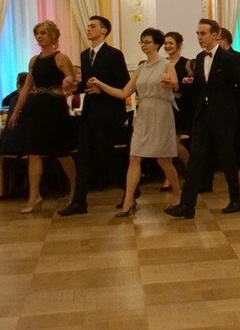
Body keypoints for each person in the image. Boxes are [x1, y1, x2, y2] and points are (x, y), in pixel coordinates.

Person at [88, 27, 180, 216]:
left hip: (161, 112)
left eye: (147, 42)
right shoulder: (140, 68)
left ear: (156, 44)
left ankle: (178, 193)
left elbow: (174, 83)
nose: (143, 45)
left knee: (163, 159)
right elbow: (123, 93)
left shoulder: (166, 64)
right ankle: (128, 202)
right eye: (142, 42)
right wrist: (101, 85)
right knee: (134, 157)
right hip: (144, 112)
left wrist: (171, 83)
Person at [165, 19, 240, 219]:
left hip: (223, 115)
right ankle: (187, 205)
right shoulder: (199, 58)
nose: (199, 37)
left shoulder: (228, 58)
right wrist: (177, 85)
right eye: (197, 33)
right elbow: (199, 87)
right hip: (203, 114)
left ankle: (235, 199)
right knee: (196, 158)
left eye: (203, 33)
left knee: (227, 156)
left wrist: (226, 104)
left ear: (215, 34)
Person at [59, 15, 130, 217]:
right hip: (90, 112)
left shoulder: (114, 54)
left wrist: (102, 89)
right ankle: (79, 202)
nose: (88, 29)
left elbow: (124, 83)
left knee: (107, 155)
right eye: (88, 26)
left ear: (104, 30)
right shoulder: (85, 55)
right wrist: (74, 87)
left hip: (109, 113)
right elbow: (87, 84)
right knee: (84, 156)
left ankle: (129, 189)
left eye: (92, 26)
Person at [8, 21, 77, 214]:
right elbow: (26, 88)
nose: (39, 36)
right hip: (37, 108)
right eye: (37, 33)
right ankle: (34, 196)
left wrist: (68, 82)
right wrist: (16, 112)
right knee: (33, 152)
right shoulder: (34, 61)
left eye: (43, 33)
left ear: (52, 36)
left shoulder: (61, 58)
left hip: (55, 108)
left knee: (62, 152)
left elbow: (72, 83)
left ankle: (74, 189)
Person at [218, 27, 240, 188]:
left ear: (224, 40)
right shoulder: (212, 58)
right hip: (220, 106)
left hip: (237, 105)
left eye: (216, 38)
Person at [162, 31, 192, 189]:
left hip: (180, 107)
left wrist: (179, 85)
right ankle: (170, 177)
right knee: (166, 144)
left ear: (178, 45)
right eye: (165, 43)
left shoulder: (187, 63)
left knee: (174, 143)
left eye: (171, 43)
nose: (167, 46)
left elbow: (191, 86)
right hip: (164, 105)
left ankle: (190, 167)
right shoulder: (162, 63)